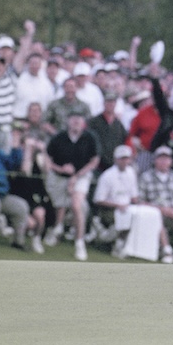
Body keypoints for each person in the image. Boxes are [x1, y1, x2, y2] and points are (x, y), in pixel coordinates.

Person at [43, 111, 101, 260]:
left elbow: (94, 161)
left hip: (81, 176)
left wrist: (76, 176)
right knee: (60, 206)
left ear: (83, 122)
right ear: (68, 121)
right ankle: (57, 229)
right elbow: (48, 158)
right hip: (60, 177)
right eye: (73, 119)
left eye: (79, 119)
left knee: (76, 205)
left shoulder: (90, 137)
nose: (76, 122)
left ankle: (79, 243)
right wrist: (60, 169)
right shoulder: (59, 137)